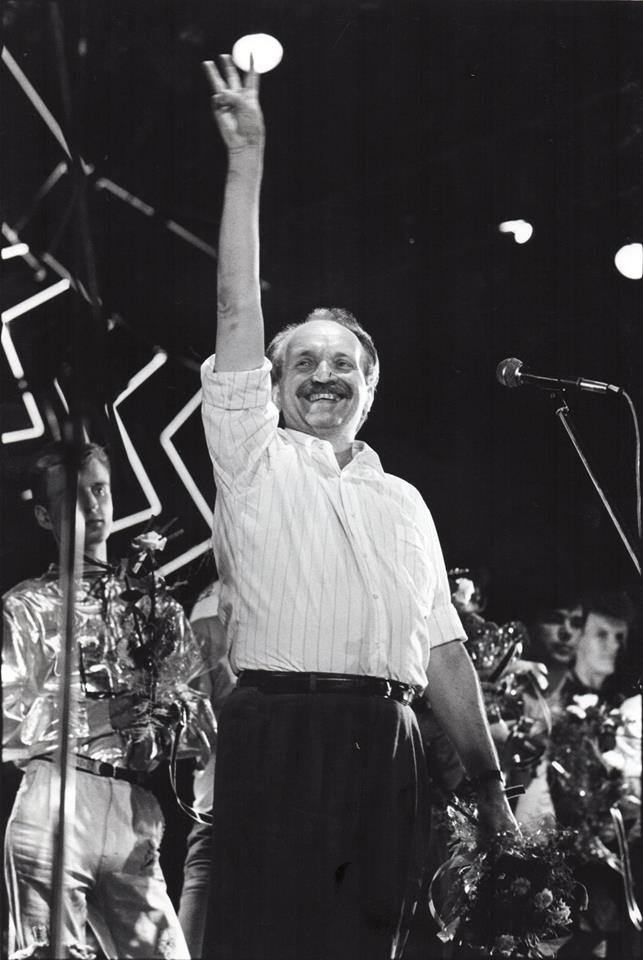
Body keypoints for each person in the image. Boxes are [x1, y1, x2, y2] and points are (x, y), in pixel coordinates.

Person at [199, 55, 516, 960]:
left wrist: (491, 790)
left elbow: (442, 650)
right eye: (303, 362)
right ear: (272, 386)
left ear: (369, 390)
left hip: (389, 743)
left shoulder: (404, 502)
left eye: (344, 364)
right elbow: (234, 310)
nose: (323, 374)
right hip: (279, 735)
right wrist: (246, 168)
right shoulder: (252, 456)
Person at [2, 442, 214, 959]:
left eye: (100, 490)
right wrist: (95, 715)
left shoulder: (153, 606)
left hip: (133, 808)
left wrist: (163, 721)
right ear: (44, 515)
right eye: (72, 496)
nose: (92, 506)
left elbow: (201, 719)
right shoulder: (25, 606)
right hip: (54, 799)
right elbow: (6, 722)